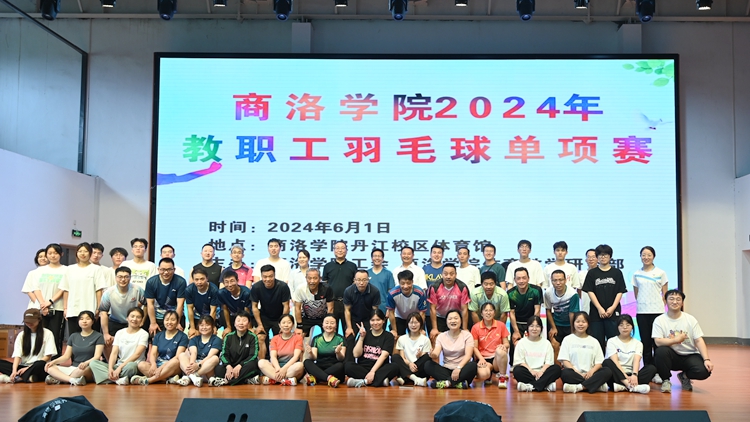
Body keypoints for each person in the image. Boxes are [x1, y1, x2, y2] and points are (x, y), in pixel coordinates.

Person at [653, 289, 713, 393]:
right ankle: (666, 380)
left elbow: (699, 340)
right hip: (671, 356)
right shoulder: (659, 320)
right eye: (671, 299)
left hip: (689, 355)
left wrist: (706, 359)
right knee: (660, 351)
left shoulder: (690, 319)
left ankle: (684, 376)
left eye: (678, 299)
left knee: (704, 371)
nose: (674, 302)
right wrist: (676, 340)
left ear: (682, 303)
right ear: (665, 301)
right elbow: (658, 341)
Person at [22, 243, 67, 356]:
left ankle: (54, 360)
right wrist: (43, 304)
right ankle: (38, 359)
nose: (53, 255)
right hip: (40, 308)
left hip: (58, 307)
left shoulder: (66, 270)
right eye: (50, 253)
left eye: (55, 253)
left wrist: (50, 302)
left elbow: (64, 288)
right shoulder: (39, 271)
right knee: (39, 334)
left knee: (56, 335)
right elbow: (35, 288)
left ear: (61, 254)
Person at [582, 244, 628, 352]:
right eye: (600, 255)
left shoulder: (617, 273)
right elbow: (590, 291)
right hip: (596, 313)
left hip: (613, 313)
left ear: (610, 256)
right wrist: (599, 308)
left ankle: (613, 362)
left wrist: (612, 308)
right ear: (597, 257)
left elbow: (620, 291)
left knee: (614, 341)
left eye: (605, 255)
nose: (603, 257)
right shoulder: (592, 273)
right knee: (597, 343)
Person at [89, 307, 149, 385]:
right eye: (132, 316)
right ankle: (119, 380)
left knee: (131, 366)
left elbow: (137, 354)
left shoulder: (144, 334)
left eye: (138, 317)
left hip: (132, 366)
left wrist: (120, 368)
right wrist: (110, 368)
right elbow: (114, 353)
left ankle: (108, 378)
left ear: (141, 320)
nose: (134, 319)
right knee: (93, 363)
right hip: (118, 365)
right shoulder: (120, 332)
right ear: (127, 318)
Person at [44, 310, 104, 386]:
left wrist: (85, 363)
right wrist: (53, 362)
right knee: (50, 368)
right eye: (81, 319)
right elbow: (66, 356)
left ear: (93, 321)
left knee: (82, 371)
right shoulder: (73, 336)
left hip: (87, 367)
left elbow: (97, 356)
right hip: (73, 368)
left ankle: (59, 378)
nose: (84, 321)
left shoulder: (98, 336)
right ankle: (72, 380)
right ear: (78, 321)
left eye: (88, 319)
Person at [60, 242, 108, 335]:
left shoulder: (96, 269)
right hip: (73, 309)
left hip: (90, 309)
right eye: (80, 251)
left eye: (85, 251)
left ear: (90, 253)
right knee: (74, 336)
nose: (82, 253)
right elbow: (66, 289)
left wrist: (98, 308)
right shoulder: (70, 269)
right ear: (76, 253)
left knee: (91, 336)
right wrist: (65, 308)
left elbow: (99, 290)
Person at [632, 246, 668, 369]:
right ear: (640, 256)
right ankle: (648, 368)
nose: (646, 257)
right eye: (643, 255)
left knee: (657, 342)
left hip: (657, 311)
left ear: (653, 256)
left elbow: (665, 294)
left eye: (649, 255)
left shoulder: (660, 273)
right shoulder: (637, 274)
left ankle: (659, 369)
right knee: (645, 342)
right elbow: (636, 293)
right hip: (642, 312)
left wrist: (659, 305)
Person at [559, 312, 612, 393]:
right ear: (573, 323)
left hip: (591, 374)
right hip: (574, 373)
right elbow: (565, 361)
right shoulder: (567, 339)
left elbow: (599, 363)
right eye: (578, 321)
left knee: (607, 371)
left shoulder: (594, 341)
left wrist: (591, 372)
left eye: (583, 322)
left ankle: (580, 387)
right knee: (565, 373)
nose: (580, 324)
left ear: (588, 324)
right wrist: (577, 372)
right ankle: (595, 385)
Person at [99, 267, 147, 359]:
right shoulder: (108, 293)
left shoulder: (137, 289)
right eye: (120, 277)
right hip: (115, 321)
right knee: (107, 341)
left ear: (130, 277)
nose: (123, 279)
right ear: (116, 278)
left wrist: (142, 321)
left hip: (133, 322)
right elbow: (103, 313)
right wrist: (106, 333)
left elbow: (147, 304)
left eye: (126, 277)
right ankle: (111, 364)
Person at [131, 310, 189, 385]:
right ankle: (167, 379)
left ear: (178, 322)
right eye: (167, 320)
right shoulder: (158, 335)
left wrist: (161, 368)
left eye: (173, 320)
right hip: (159, 364)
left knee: (175, 362)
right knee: (141, 364)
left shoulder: (183, 336)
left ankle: (150, 380)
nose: (169, 322)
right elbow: (153, 353)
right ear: (163, 321)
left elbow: (178, 356)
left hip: (172, 366)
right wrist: (153, 364)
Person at [344, 309, 398, 388]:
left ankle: (363, 381)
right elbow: (356, 354)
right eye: (372, 320)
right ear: (369, 321)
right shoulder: (364, 334)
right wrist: (361, 338)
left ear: (383, 321)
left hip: (379, 368)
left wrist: (372, 372)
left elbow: (384, 355)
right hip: (363, 367)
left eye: (378, 320)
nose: (375, 323)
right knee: (348, 366)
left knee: (395, 367)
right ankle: (379, 381)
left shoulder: (388, 336)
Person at [425, 309, 478, 389]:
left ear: (461, 320)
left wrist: (458, 368)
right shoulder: (441, 336)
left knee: (473, 365)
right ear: (446, 322)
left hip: (462, 369)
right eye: (450, 319)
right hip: (446, 369)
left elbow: (468, 355)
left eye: (456, 318)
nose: (453, 321)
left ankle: (447, 383)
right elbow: (436, 352)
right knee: (428, 365)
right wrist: (432, 354)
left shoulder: (467, 335)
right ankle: (458, 384)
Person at [602, 314, 655, 394]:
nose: (625, 327)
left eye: (628, 325)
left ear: (632, 327)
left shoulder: (638, 343)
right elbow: (615, 361)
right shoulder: (612, 341)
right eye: (621, 325)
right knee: (607, 362)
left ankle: (622, 387)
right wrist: (625, 377)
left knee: (651, 368)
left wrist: (634, 375)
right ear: (617, 327)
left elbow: (636, 360)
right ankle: (630, 386)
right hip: (617, 373)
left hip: (631, 374)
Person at [0, 309, 56, 384]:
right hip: (23, 366)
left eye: (32, 321)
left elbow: (48, 357)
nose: (29, 324)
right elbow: (17, 355)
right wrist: (14, 370)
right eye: (27, 322)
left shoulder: (48, 333)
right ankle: (25, 377)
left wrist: (28, 368)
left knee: (41, 364)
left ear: (39, 320)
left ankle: (18, 378)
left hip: (37, 367)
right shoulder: (21, 335)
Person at [210, 311, 260, 386]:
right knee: (218, 369)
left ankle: (227, 382)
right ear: (234, 323)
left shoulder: (252, 337)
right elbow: (224, 355)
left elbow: (253, 355)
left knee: (253, 365)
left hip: (245, 365)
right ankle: (245, 380)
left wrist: (240, 365)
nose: (241, 323)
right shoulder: (228, 337)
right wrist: (228, 366)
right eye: (238, 320)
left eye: (244, 320)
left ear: (248, 323)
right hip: (232, 365)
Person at [512, 315, 561, 392]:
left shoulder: (546, 343)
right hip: (528, 372)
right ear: (528, 328)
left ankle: (531, 386)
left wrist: (541, 371)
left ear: (541, 328)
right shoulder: (521, 343)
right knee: (517, 370)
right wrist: (531, 371)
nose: (534, 329)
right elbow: (520, 362)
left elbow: (549, 362)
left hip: (543, 372)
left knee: (557, 369)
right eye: (532, 326)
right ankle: (544, 385)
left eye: (537, 326)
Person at [251, 265, 291, 357]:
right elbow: (254, 307)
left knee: (281, 339)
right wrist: (259, 324)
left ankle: (279, 360)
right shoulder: (256, 287)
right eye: (265, 277)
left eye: (270, 276)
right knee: (261, 337)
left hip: (279, 317)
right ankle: (263, 361)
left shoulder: (283, 286)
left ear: (274, 275)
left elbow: (286, 306)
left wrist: (283, 323)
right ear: (261, 276)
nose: (268, 279)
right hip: (264, 317)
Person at [507, 267, 542, 366]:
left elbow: (537, 310)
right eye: (518, 278)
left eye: (524, 278)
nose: (521, 281)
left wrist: (532, 327)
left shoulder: (536, 291)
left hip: (532, 322)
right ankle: (514, 364)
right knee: (515, 343)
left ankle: (534, 364)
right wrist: (516, 331)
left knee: (533, 343)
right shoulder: (510, 293)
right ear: (515, 280)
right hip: (517, 323)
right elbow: (512, 313)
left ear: (528, 278)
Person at [428, 263, 471, 343]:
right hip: (440, 318)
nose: (448, 277)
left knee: (460, 340)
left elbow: (464, 309)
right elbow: (432, 309)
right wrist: (434, 328)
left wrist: (464, 328)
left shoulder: (462, 287)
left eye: (451, 274)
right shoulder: (434, 287)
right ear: (442, 274)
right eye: (446, 274)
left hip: (456, 318)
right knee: (435, 338)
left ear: (455, 275)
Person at [344, 269, 381, 361]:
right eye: (359, 280)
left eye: (364, 280)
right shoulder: (348, 291)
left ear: (368, 280)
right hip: (354, 318)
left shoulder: (375, 291)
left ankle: (364, 363)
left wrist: (373, 324)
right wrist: (349, 327)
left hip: (368, 319)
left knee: (368, 339)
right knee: (349, 338)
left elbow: (374, 310)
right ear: (354, 280)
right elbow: (347, 310)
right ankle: (348, 364)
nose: (361, 283)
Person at [256, 315, 304, 386]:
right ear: (279, 325)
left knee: (299, 365)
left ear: (293, 325)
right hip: (277, 368)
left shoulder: (298, 338)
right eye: (283, 323)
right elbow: (273, 357)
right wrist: (278, 369)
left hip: (291, 368)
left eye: (289, 322)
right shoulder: (275, 338)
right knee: (261, 362)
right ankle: (285, 380)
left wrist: (284, 369)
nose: (286, 325)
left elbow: (296, 357)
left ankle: (274, 379)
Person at [321, 240, 358, 332]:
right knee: (332, 331)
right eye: (337, 248)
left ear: (346, 251)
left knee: (349, 331)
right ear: (334, 251)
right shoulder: (328, 266)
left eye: (342, 248)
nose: (340, 250)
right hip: (332, 303)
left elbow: (355, 283)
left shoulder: (352, 266)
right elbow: (324, 284)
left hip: (348, 303)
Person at [471, 303, 510, 388]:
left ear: (494, 313)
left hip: (496, 358)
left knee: (501, 350)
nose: (488, 313)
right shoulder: (475, 327)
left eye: (490, 310)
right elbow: (474, 347)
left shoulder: (501, 325)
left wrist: (504, 346)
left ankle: (502, 378)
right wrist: (481, 359)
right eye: (486, 310)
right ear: (481, 313)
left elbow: (506, 343)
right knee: (483, 375)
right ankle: (488, 376)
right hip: (483, 359)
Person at [544, 269, 580, 361]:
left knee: (571, 347)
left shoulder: (573, 294)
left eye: (560, 280)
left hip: (570, 324)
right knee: (554, 345)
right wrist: (553, 327)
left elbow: (572, 314)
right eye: (555, 280)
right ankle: (557, 367)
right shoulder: (548, 293)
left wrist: (573, 331)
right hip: (557, 323)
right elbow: (548, 310)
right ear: (551, 281)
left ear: (565, 280)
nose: (558, 283)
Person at [177, 315, 222, 387]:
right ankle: (193, 378)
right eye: (201, 325)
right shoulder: (194, 339)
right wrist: (192, 365)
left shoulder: (217, 340)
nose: (204, 327)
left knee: (215, 358)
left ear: (212, 326)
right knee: (182, 355)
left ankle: (191, 377)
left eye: (207, 325)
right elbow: (193, 353)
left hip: (207, 369)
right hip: (193, 367)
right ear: (198, 326)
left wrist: (198, 365)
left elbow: (209, 356)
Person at [145, 257, 186, 336]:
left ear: (174, 270)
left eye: (169, 269)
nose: (166, 272)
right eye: (163, 269)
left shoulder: (181, 282)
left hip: (175, 317)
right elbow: (150, 304)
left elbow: (180, 305)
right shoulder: (151, 282)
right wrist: (153, 323)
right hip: (157, 317)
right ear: (158, 269)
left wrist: (177, 322)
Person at [303, 314, 346, 388]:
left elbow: (341, 358)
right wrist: (310, 352)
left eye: (332, 323)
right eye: (326, 323)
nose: (329, 325)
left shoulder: (340, 338)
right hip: (320, 366)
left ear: (336, 325)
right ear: (322, 325)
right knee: (307, 362)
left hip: (334, 368)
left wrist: (338, 352)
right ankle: (329, 378)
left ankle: (317, 377)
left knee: (341, 365)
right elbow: (314, 358)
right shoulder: (316, 338)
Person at [292, 268, 333, 341]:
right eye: (309, 278)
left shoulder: (327, 288)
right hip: (306, 317)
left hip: (323, 317)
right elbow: (297, 308)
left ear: (320, 279)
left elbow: (330, 308)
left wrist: (328, 323)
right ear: (306, 278)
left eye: (315, 278)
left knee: (329, 337)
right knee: (298, 337)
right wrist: (299, 326)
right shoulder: (300, 289)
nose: (312, 281)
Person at [392, 312, 432, 387]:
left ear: (421, 324)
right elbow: (403, 357)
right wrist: (410, 364)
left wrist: (420, 355)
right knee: (395, 357)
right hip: (406, 366)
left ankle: (405, 377)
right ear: (407, 324)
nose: (413, 325)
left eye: (416, 322)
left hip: (418, 369)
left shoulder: (425, 339)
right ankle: (415, 379)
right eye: (411, 322)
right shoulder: (402, 338)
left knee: (427, 357)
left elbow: (425, 357)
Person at [386, 270, 428, 338]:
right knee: (395, 337)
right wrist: (394, 330)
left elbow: (422, 313)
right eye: (402, 283)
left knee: (418, 336)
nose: (405, 286)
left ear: (412, 282)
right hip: (399, 317)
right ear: (399, 282)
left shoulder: (420, 292)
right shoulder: (392, 294)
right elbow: (391, 313)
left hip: (415, 318)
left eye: (408, 283)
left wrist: (420, 329)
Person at [185, 268, 221, 338]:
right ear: (193, 280)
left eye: (202, 279)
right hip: (197, 316)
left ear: (207, 278)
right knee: (193, 336)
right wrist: (192, 327)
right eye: (196, 279)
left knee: (210, 334)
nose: (199, 282)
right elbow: (190, 309)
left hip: (211, 317)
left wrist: (211, 326)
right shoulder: (189, 290)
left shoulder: (214, 290)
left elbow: (213, 311)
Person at [217, 270, 252, 334]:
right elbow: (225, 309)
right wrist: (228, 327)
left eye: (232, 281)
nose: (229, 285)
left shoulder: (246, 293)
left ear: (237, 281)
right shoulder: (221, 293)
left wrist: (249, 327)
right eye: (226, 282)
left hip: (244, 315)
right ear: (223, 283)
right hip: (232, 315)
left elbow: (247, 311)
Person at [422, 244, 444, 333]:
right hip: (428, 309)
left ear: (442, 255)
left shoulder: (446, 269)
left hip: (443, 310)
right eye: (434, 252)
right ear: (430, 254)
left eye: (439, 253)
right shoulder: (424, 269)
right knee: (431, 335)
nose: (436, 255)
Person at [367, 248, 394, 315]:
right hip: (368, 307)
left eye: (379, 256)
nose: (377, 258)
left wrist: (389, 308)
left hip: (383, 307)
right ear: (372, 258)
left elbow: (391, 292)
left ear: (383, 259)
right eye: (375, 256)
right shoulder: (367, 273)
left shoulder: (388, 273)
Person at [578, 248, 597, 319]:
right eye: (588, 257)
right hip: (586, 307)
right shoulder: (581, 274)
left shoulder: (602, 273)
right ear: (586, 260)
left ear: (598, 259)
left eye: (593, 257)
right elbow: (579, 291)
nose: (591, 259)